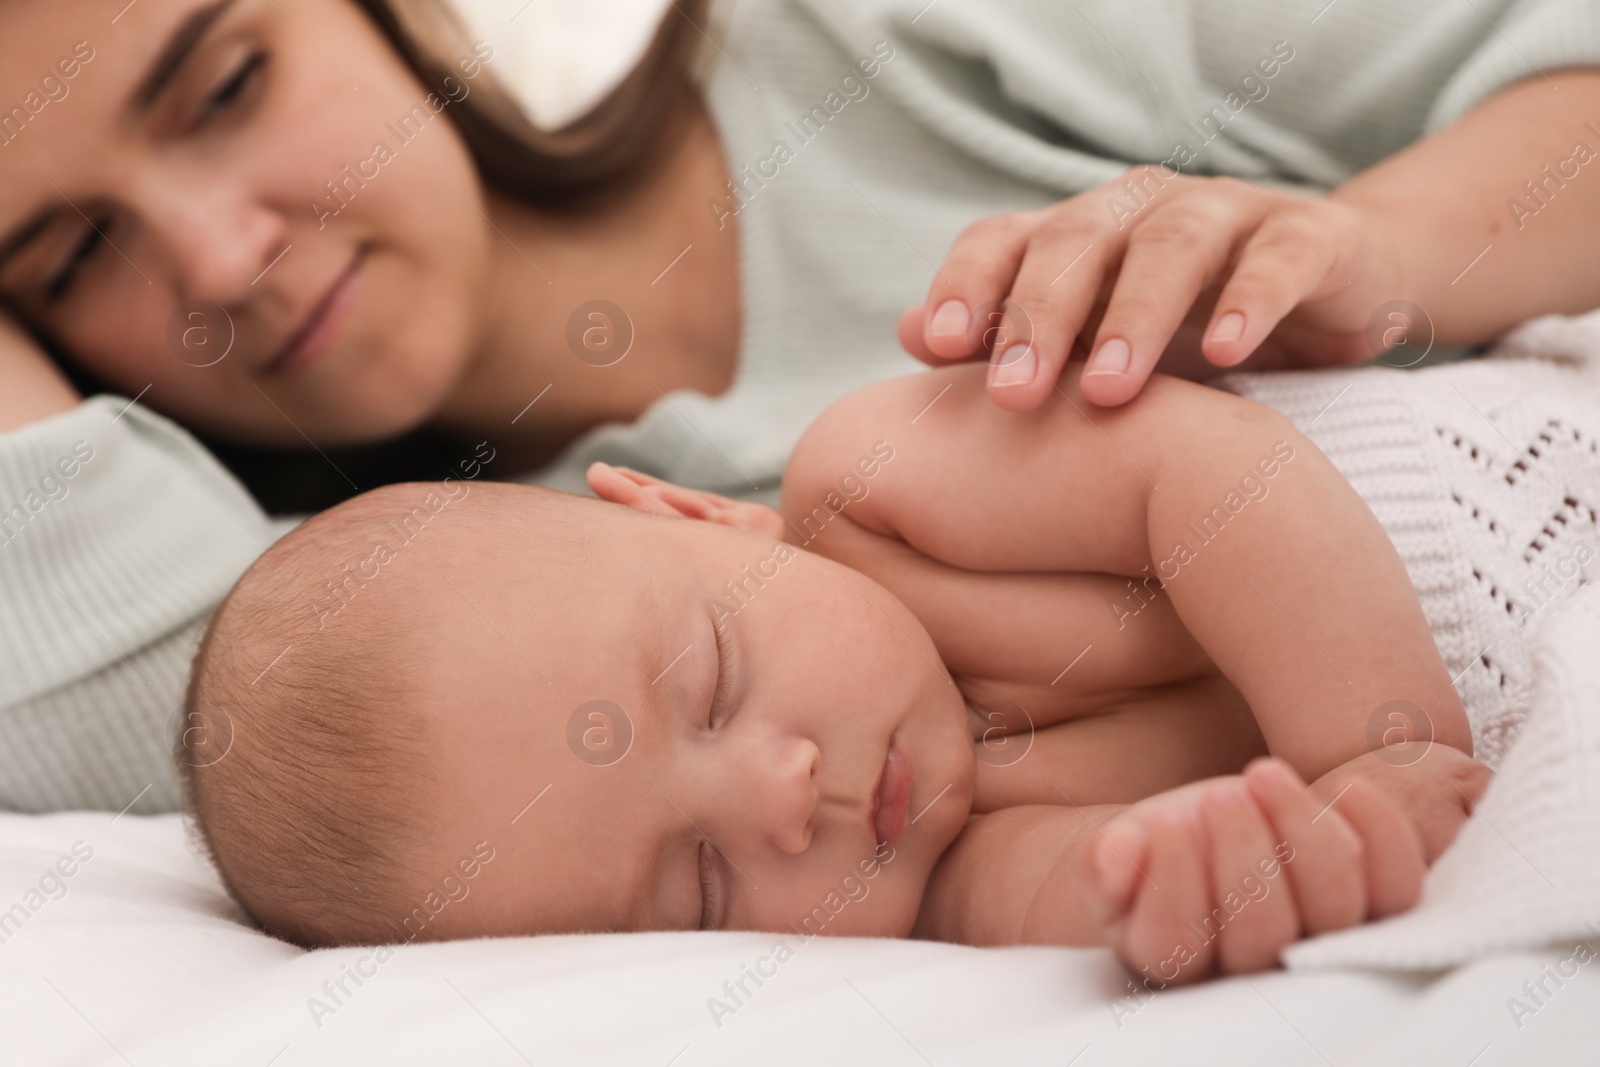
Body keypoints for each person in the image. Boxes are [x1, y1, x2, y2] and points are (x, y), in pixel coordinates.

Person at [2, 0, 1599, 811]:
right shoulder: (406, 659)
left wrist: (1383, 245)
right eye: (74, 255)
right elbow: (83, 677)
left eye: (226, 83)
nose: (225, 257)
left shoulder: (893, 37)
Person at [181, 360, 1493, 982]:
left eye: (710, 685)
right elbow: (1118, 896)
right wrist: (1214, 884)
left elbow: (1213, 475)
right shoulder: (944, 899)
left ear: (696, 516)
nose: (784, 794)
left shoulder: (878, 491)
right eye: (700, 890)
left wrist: (1370, 744)